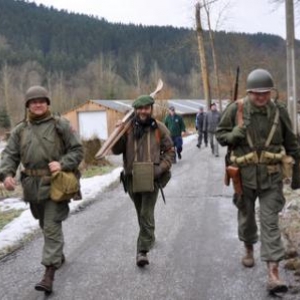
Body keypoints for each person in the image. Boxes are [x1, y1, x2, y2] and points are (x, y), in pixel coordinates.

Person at [215, 69, 300, 294]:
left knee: (270, 221)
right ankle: (249, 246)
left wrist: (297, 175)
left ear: (271, 92)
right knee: (247, 216)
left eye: (265, 93)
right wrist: (234, 134)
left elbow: (292, 143)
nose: (261, 97)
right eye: (256, 93)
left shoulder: (279, 111)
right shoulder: (237, 109)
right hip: (243, 176)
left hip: (272, 176)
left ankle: (273, 273)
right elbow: (220, 134)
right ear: (249, 92)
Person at [0, 86, 83, 294]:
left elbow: (78, 150)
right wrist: (7, 175)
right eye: (33, 101)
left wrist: (63, 163)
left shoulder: (60, 124)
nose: (38, 104)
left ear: (47, 103)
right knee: (45, 224)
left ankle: (49, 273)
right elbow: (10, 155)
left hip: (55, 184)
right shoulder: (20, 130)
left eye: (41, 101)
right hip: (31, 188)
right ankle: (58, 256)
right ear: (28, 105)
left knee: (52, 224)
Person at [112, 95, 174, 267]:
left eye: (146, 108)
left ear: (151, 109)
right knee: (141, 213)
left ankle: (142, 251)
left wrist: (159, 169)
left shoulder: (159, 129)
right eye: (140, 109)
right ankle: (149, 236)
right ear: (135, 110)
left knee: (146, 213)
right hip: (132, 178)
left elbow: (170, 152)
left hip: (151, 179)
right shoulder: (127, 129)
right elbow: (116, 150)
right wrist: (118, 132)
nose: (143, 112)